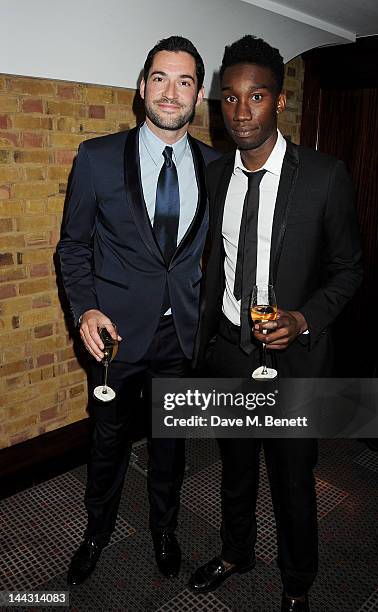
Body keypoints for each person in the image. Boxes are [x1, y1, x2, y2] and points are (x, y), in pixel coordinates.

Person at [189, 35, 362, 612]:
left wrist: (304, 318)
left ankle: (296, 584)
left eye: (256, 97)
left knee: (293, 481)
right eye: (230, 99)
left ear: (279, 101)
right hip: (233, 352)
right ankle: (236, 552)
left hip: (297, 359)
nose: (241, 112)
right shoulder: (215, 175)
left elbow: (348, 269)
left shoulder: (325, 176)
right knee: (235, 467)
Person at [57, 35, 219, 586]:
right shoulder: (98, 158)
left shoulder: (217, 167)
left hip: (181, 338)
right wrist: (85, 312)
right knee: (107, 444)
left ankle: (164, 530)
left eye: (184, 81)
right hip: (116, 338)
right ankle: (97, 531)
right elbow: (73, 247)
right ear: (141, 86)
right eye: (160, 78)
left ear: (199, 95)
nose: (170, 92)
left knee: (171, 445)